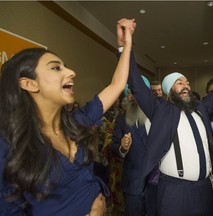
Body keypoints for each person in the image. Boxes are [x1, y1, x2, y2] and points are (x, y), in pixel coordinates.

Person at [0, 18, 135, 215]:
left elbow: (116, 85)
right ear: (29, 84)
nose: (72, 72)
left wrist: (126, 46)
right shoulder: (9, 147)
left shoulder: (77, 121)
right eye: (56, 68)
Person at [118, 22, 213, 214]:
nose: (186, 85)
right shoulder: (160, 109)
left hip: (205, 189)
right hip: (174, 191)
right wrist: (125, 47)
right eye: (179, 82)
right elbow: (136, 83)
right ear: (168, 90)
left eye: (187, 82)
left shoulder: (200, 108)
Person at [110, 76, 157, 216]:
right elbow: (114, 145)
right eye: (130, 92)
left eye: (137, 91)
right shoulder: (121, 119)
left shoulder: (158, 116)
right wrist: (123, 147)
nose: (133, 95)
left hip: (157, 182)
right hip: (133, 183)